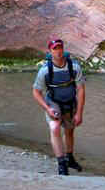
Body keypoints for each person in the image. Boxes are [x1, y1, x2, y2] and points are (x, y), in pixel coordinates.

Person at [32, 38, 86, 175]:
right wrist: (47, 108)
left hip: (70, 102)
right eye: (55, 48)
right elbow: (36, 92)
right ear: (50, 51)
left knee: (69, 131)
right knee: (55, 128)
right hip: (53, 102)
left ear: (63, 49)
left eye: (60, 47)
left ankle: (70, 158)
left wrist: (79, 113)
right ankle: (62, 164)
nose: (58, 51)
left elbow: (80, 90)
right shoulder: (44, 71)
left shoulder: (74, 67)